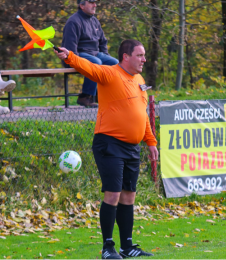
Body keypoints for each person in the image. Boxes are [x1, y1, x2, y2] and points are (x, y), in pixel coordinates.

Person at [54, 39, 158, 259]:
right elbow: (88, 67)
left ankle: (127, 247)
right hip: (109, 143)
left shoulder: (139, 79)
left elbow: (142, 114)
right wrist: (69, 56)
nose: (144, 59)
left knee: (129, 196)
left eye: (144, 55)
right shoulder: (110, 74)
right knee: (113, 194)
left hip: (133, 147)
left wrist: (151, 142)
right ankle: (108, 248)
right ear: (125, 57)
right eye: (139, 55)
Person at [62, 0, 118, 107]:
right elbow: (70, 48)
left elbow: (102, 42)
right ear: (81, 5)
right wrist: (76, 61)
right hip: (77, 55)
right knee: (96, 62)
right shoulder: (73, 22)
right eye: (91, 2)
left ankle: (106, 95)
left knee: (115, 63)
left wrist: (106, 55)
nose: (95, 5)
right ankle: (85, 96)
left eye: (95, 2)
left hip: (95, 54)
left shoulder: (95, 21)